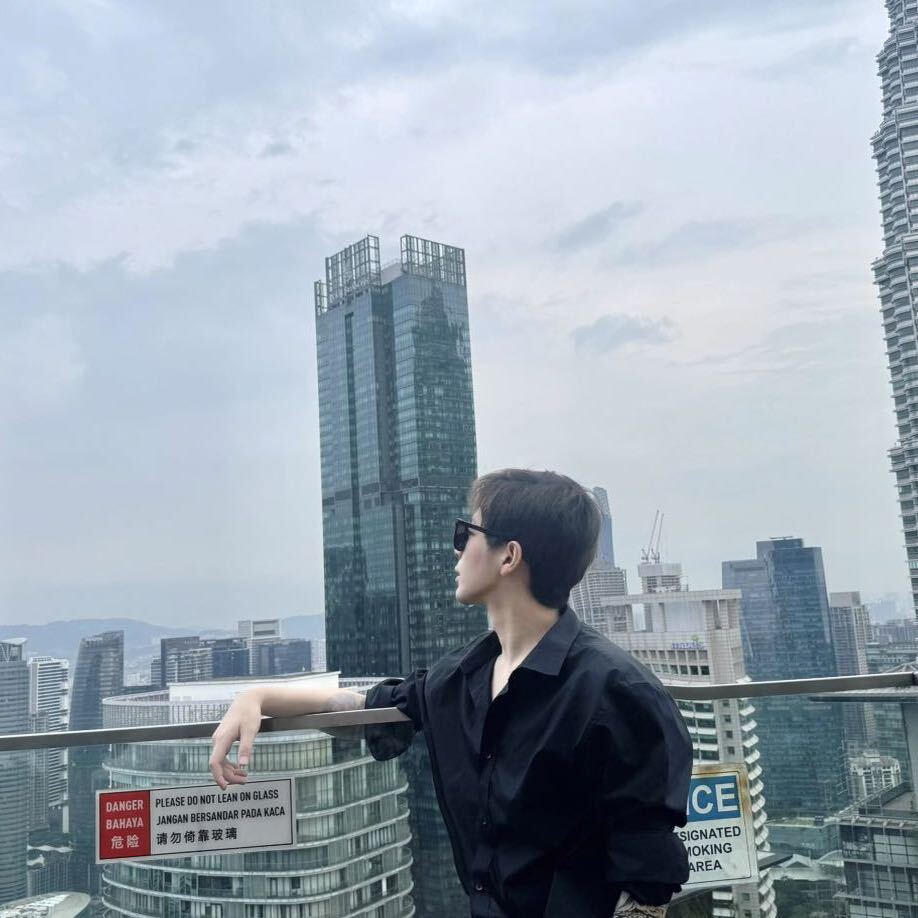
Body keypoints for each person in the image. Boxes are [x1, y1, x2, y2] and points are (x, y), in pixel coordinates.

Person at [210, 469, 692, 917]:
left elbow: (646, 888)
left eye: (466, 534)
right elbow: (364, 709)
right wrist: (258, 698)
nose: (455, 552)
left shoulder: (618, 693)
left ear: (509, 556)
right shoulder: (460, 678)